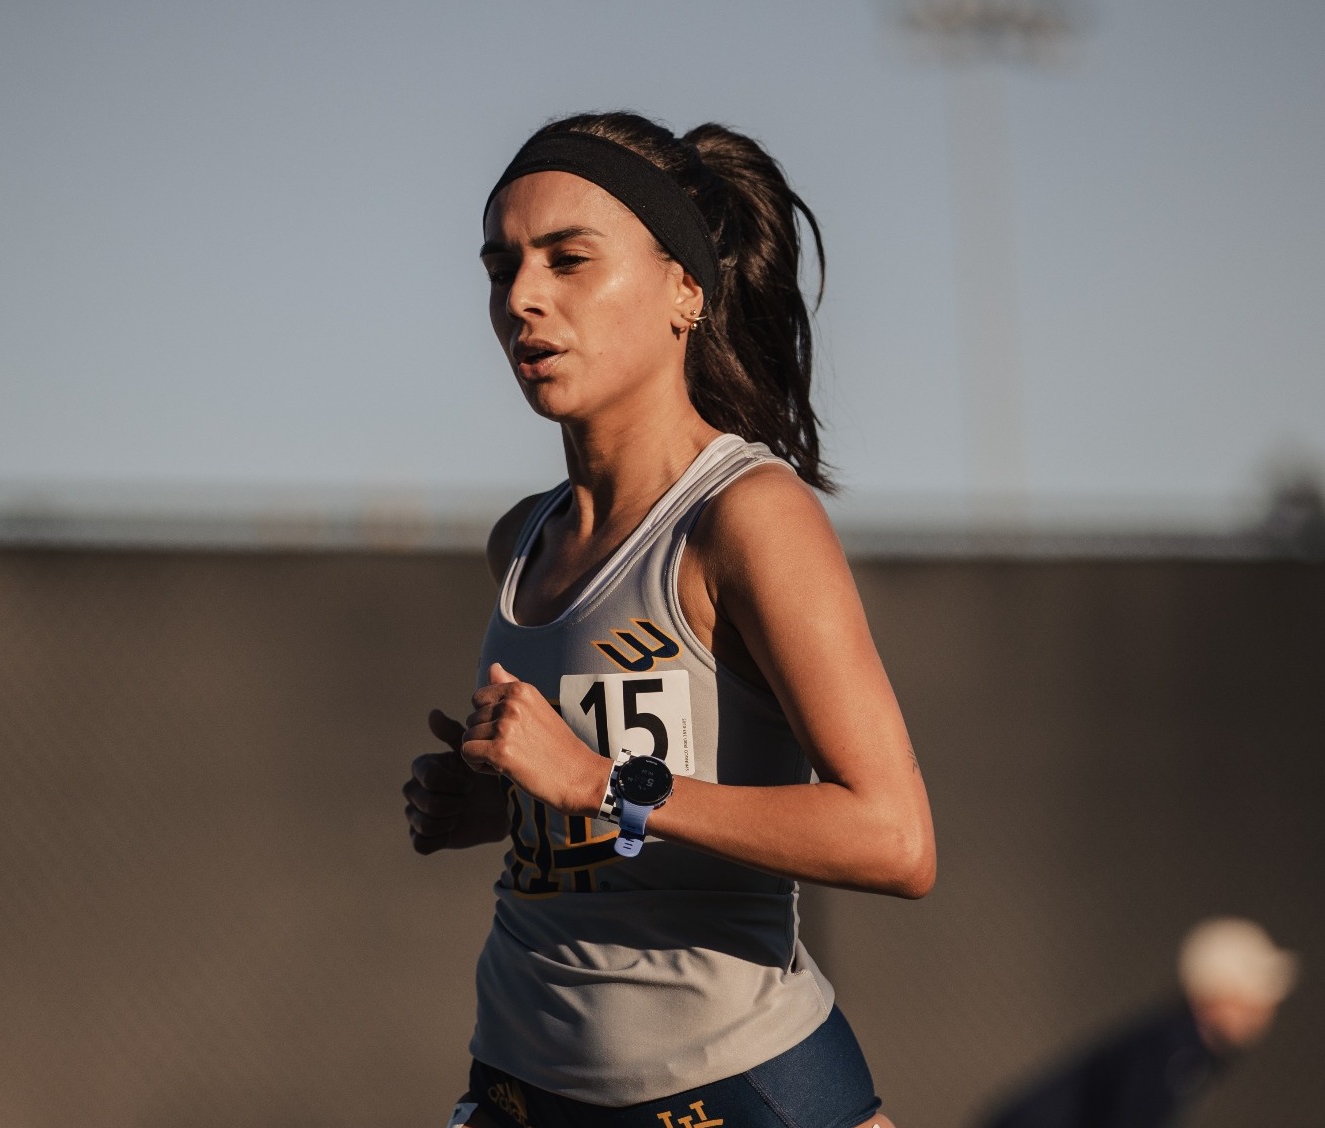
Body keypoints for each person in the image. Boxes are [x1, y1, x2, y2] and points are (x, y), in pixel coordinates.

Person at [401, 111, 937, 1128]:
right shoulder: (519, 540)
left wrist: (596, 781)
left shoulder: (745, 517)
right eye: (500, 267)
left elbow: (895, 838)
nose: (521, 297)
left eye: (568, 260)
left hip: (731, 1091)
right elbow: (610, 814)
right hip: (518, 1084)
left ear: (682, 291)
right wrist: (516, 812)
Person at [981, 917, 1300, 1128]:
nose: (1265, 1007)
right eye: (1251, 993)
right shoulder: (1171, 1052)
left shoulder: (1186, 1048)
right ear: (1212, 995)